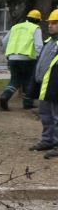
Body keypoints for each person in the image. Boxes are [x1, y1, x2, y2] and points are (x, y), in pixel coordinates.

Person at [0, 9, 43, 110]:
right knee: (28, 80)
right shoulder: (35, 28)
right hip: (28, 59)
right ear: (38, 20)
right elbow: (38, 46)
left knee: (14, 80)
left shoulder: (15, 27)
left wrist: (9, 53)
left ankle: (4, 96)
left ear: (27, 17)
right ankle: (27, 103)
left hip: (12, 58)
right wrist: (40, 58)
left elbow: (4, 41)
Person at [31, 10, 58, 152]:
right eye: (50, 23)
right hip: (45, 86)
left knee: (56, 117)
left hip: (55, 87)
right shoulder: (48, 42)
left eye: (54, 23)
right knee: (45, 115)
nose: (50, 26)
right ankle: (48, 140)